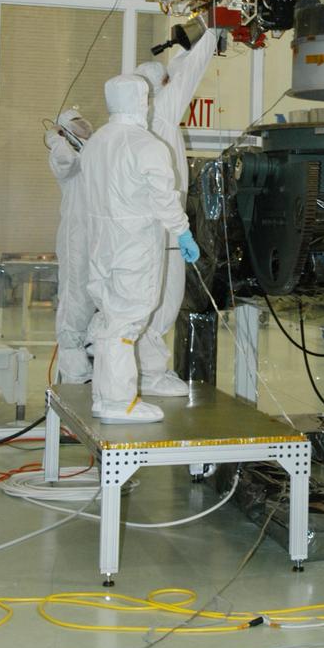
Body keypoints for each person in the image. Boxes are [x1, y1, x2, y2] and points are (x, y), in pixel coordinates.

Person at [81, 74, 200, 423]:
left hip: (101, 244)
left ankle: (105, 396)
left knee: (109, 318)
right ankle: (119, 402)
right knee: (128, 319)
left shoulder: (97, 142)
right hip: (133, 246)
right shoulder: (146, 144)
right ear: (141, 101)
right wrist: (183, 232)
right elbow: (163, 198)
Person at [134, 24, 218, 397]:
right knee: (165, 297)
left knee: (147, 296)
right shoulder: (163, 113)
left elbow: (178, 74)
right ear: (161, 87)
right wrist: (211, 33)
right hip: (167, 223)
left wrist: (186, 46)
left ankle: (141, 369)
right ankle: (151, 372)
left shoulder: (138, 121)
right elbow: (188, 77)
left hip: (144, 223)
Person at [45, 108, 95, 383]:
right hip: (76, 239)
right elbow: (65, 160)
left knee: (95, 300)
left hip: (98, 239)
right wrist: (55, 139)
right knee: (75, 300)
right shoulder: (66, 156)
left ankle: (90, 364)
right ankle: (74, 374)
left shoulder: (93, 153)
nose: (84, 129)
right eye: (76, 127)